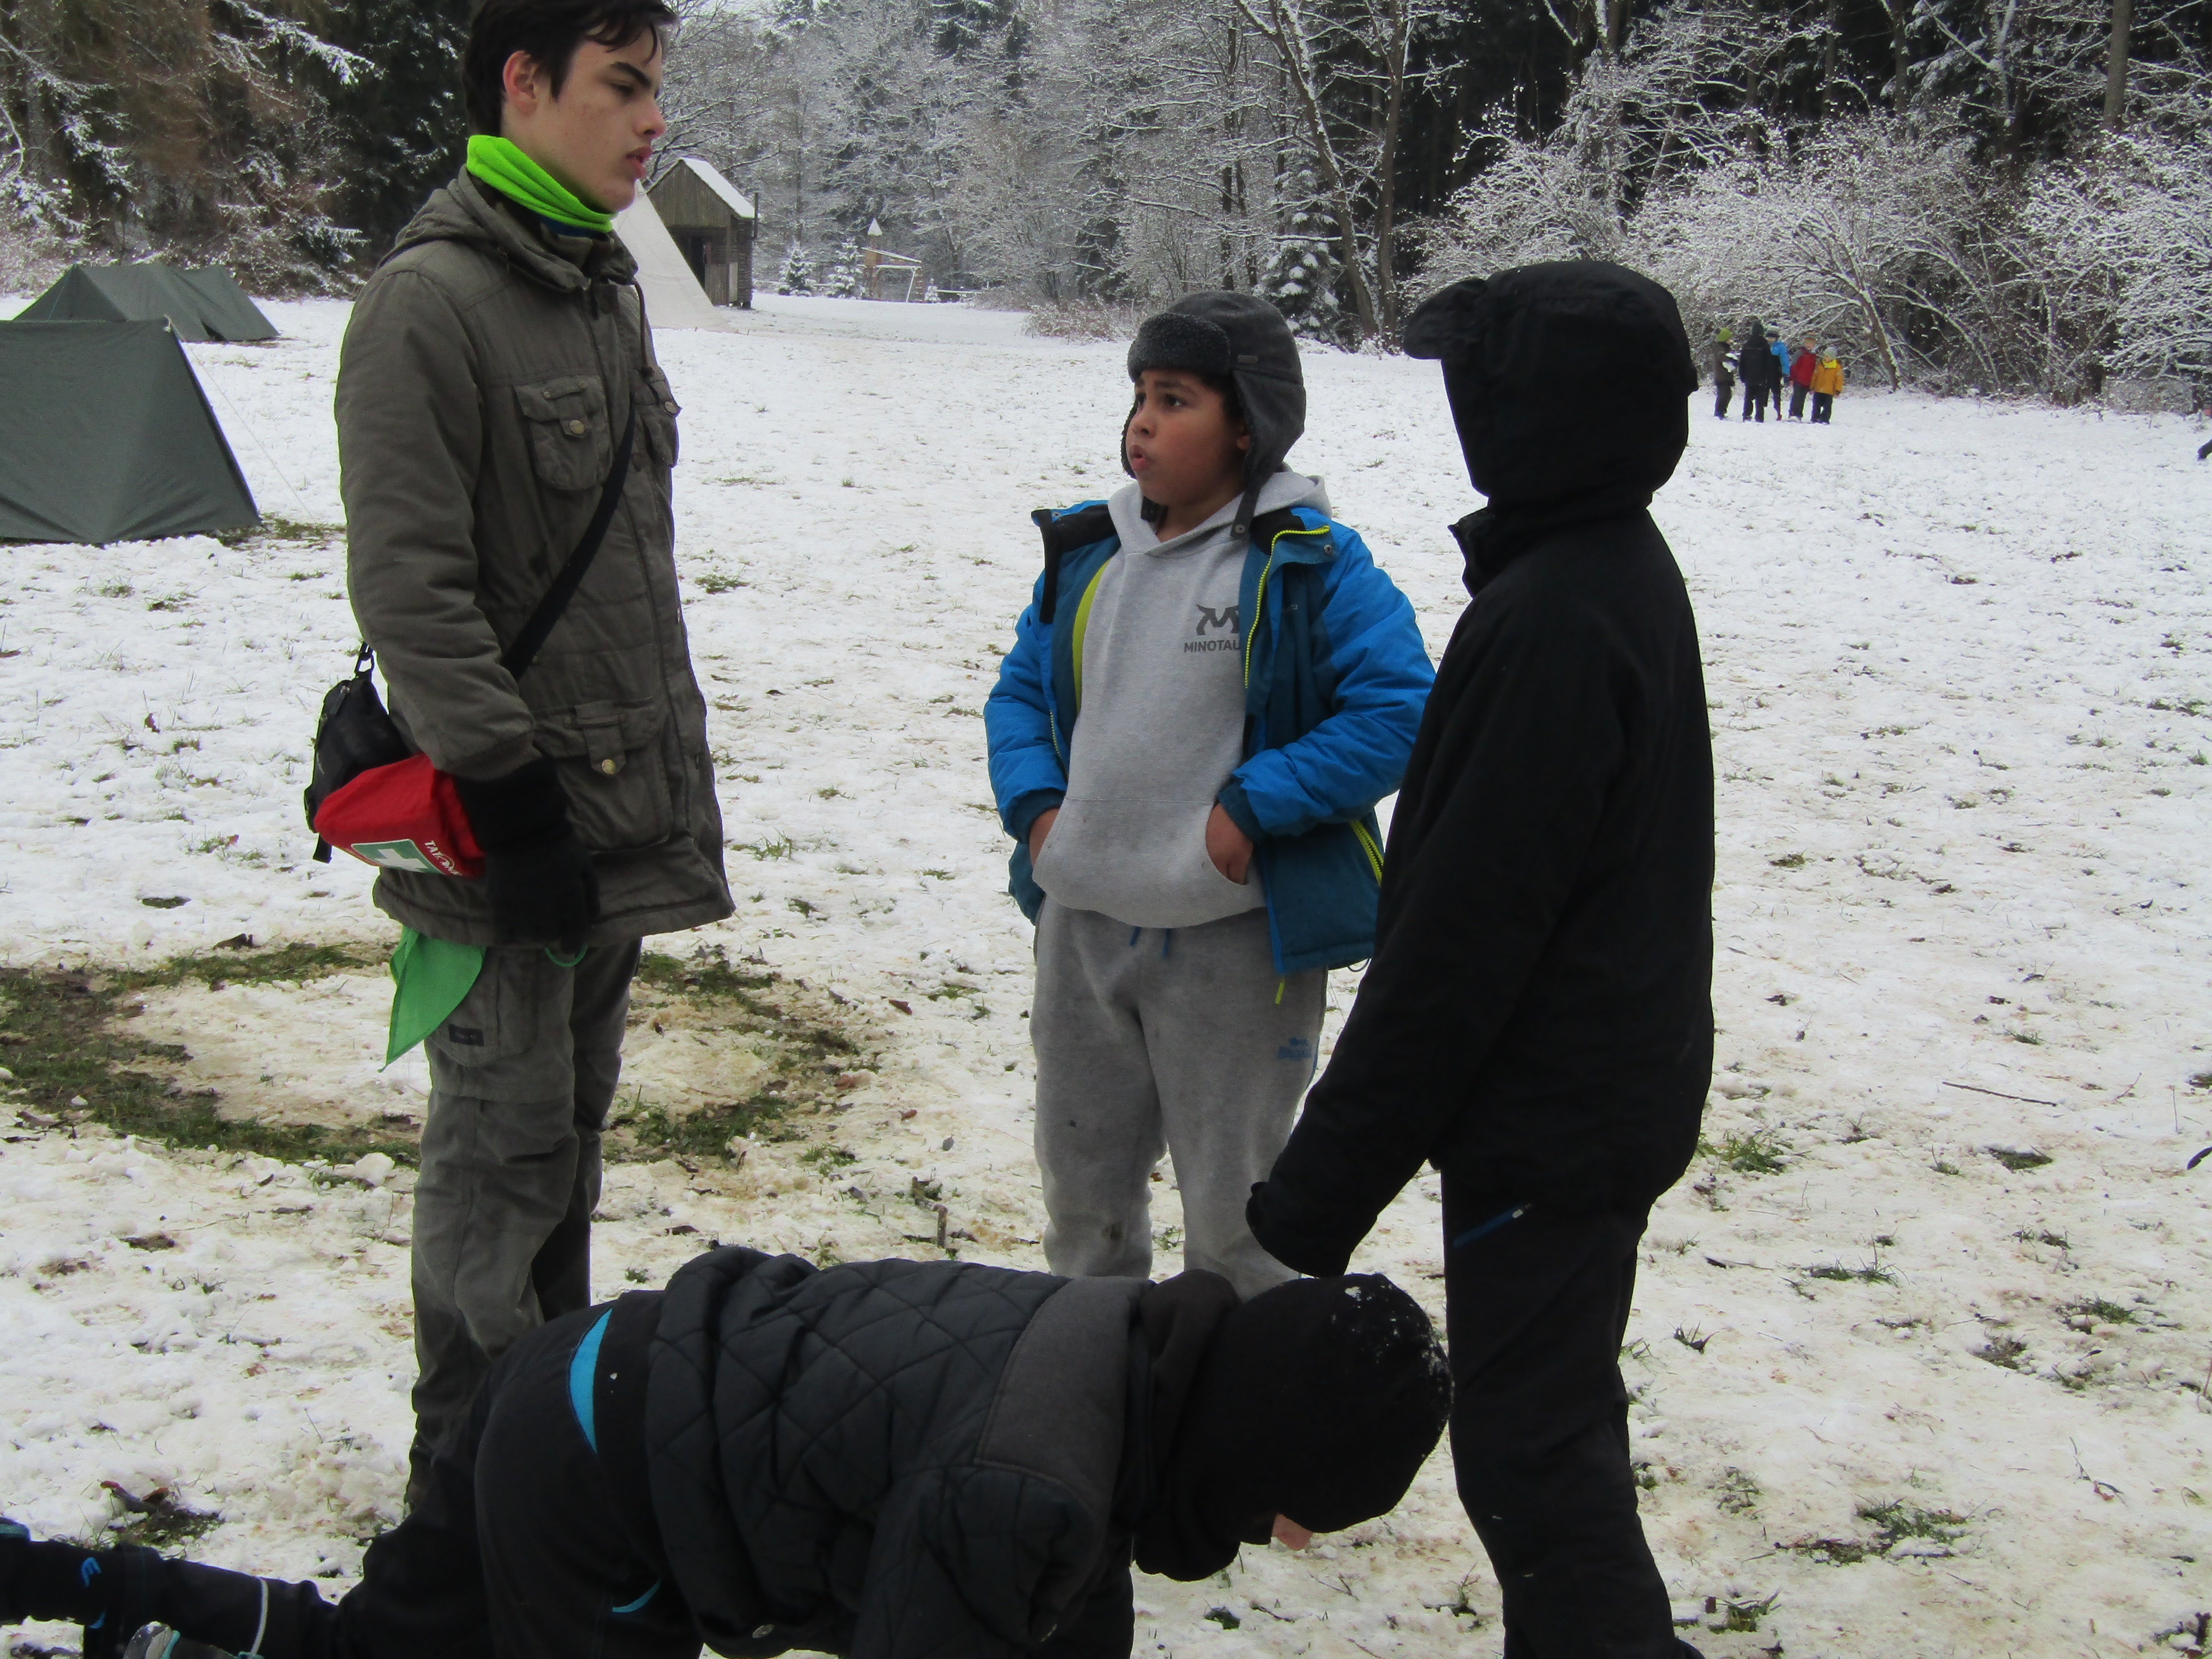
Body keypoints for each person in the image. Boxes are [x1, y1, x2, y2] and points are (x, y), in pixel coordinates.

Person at [1247, 261, 1715, 1659]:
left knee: (1532, 1456)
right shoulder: (1604, 569)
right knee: (1545, 1428)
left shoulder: (1555, 617)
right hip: (1596, 1095)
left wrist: (1316, 1196)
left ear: (1540, 414)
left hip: (1553, 1121)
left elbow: (1457, 944)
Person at [334, 0, 734, 1504]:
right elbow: (414, 596)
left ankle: (542, 1471)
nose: (651, 122)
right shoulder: (426, 307)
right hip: (506, 848)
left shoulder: (600, 288)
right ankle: (462, 1498)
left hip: (608, 831)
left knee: (564, 1150)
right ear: (522, 83)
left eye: (654, 90)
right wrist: (514, 817)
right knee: (495, 1165)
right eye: (622, 87)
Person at [0, 1252, 1453, 1659]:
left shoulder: (1118, 1354)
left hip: (586, 1371)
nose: (1291, 1543)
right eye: (1304, 1514)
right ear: (1259, 1464)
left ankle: (100, 1591)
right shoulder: (1031, 1489)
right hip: (604, 1491)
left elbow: (1069, 1625)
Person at [985, 293, 1433, 1300]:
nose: (1141, 422)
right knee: (1084, 1210)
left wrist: (1252, 808)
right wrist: (1038, 808)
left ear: (1246, 426)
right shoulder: (1089, 552)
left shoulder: (1309, 563)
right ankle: (1095, 1369)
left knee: (1241, 1226)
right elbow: (1017, 693)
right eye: (1140, 396)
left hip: (1232, 946)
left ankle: (1239, 1387)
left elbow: (1401, 708)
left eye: (1175, 399)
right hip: (1082, 929)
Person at [1736, 320, 1777, 421]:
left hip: (1749, 376)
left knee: (1748, 397)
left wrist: (1742, 375)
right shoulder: (1765, 345)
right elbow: (1768, 362)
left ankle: (1747, 415)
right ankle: (1759, 416)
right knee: (1760, 397)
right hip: (1761, 377)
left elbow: (1742, 362)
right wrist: (1769, 376)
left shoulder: (1747, 344)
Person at [1787, 336, 1818, 419]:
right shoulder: (1800, 353)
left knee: (1803, 398)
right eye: (1807, 343)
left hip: (1807, 380)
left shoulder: (1813, 355)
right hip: (1798, 379)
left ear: (1814, 345)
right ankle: (1793, 413)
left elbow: (1813, 369)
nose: (1808, 345)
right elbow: (1794, 366)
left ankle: (1799, 414)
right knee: (1797, 396)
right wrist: (1792, 378)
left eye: (1811, 344)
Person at [1707, 327, 1734, 419]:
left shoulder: (1726, 348)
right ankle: (1719, 412)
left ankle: (1722, 411)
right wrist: (1731, 358)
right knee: (1723, 394)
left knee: (1728, 394)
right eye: (1729, 339)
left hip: (1726, 376)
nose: (1731, 340)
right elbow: (1722, 357)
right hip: (1722, 376)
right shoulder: (1720, 348)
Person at [1811, 352, 1844, 423]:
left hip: (1829, 391)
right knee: (1816, 405)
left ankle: (1825, 419)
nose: (1825, 358)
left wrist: (1838, 390)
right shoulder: (1819, 365)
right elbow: (1815, 377)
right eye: (1825, 356)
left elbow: (1839, 380)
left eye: (1828, 357)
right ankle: (1815, 418)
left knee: (1827, 407)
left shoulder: (1837, 367)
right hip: (1818, 390)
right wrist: (1812, 387)